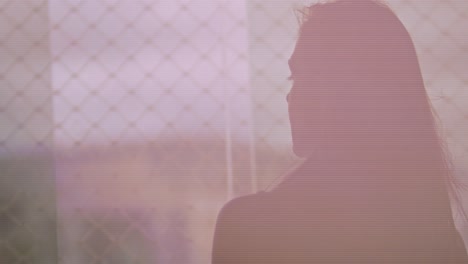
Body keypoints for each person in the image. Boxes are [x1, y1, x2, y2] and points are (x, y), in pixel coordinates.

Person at [211, 0, 468, 263]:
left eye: (301, 77)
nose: (290, 96)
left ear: (346, 93)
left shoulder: (250, 228)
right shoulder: (439, 239)